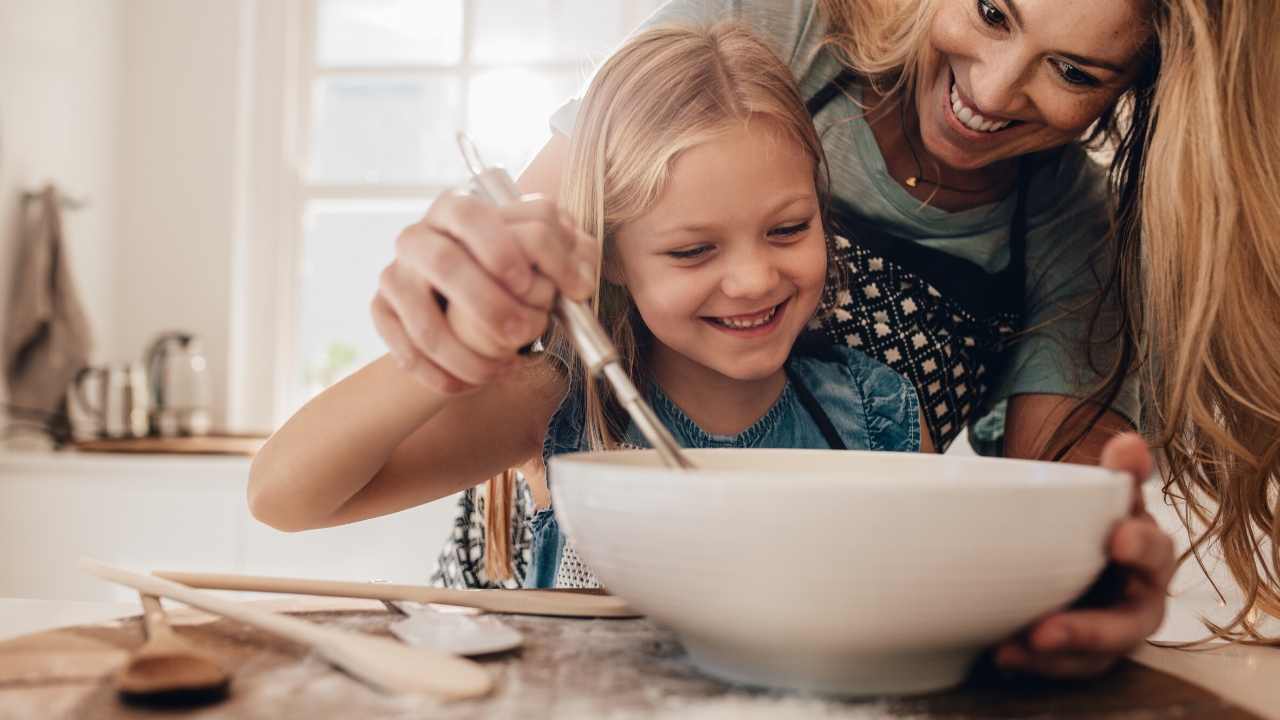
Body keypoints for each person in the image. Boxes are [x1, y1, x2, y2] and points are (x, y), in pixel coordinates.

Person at [368, 0, 1280, 673]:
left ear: (1142, 89)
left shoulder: (1082, 242)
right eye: (993, 12)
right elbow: (535, 263)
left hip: (810, 642)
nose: (994, 94)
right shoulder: (770, 29)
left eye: (1076, 71)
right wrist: (463, 300)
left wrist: (1078, 581)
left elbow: (1045, 522)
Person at [250, 22, 932, 593]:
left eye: (787, 230)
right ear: (611, 256)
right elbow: (283, 496)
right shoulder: (560, 406)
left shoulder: (878, 416)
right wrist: (455, 346)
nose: (753, 279)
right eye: (694, 251)